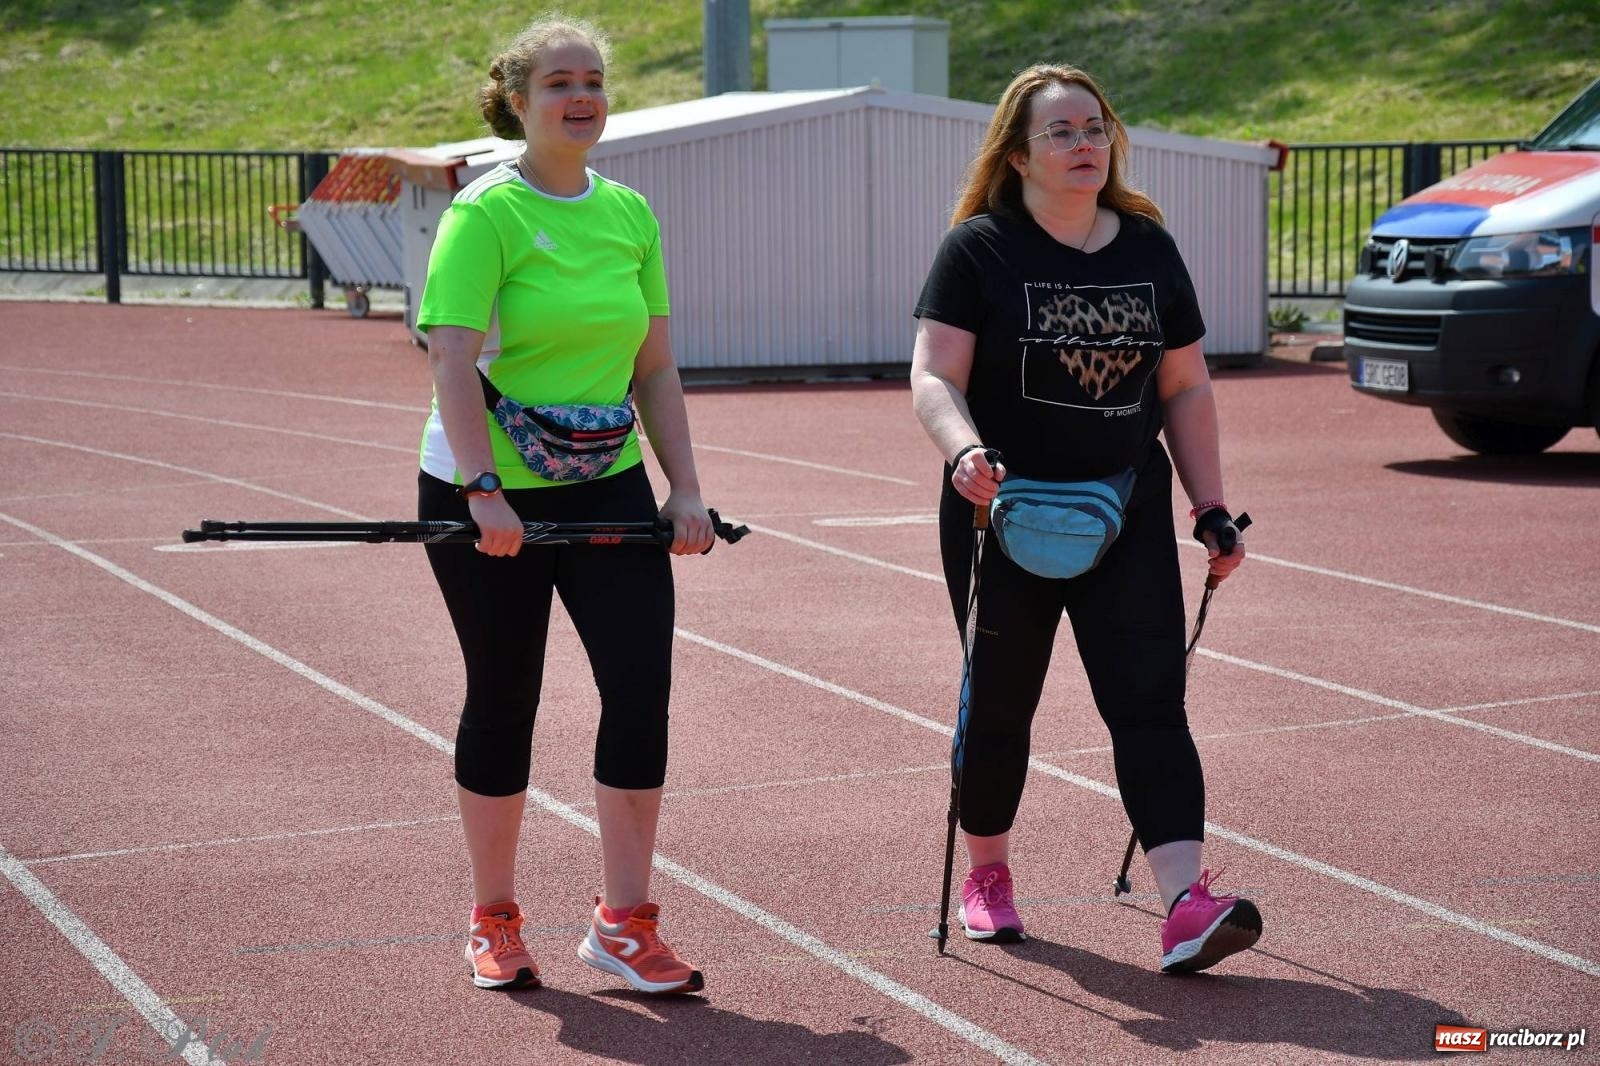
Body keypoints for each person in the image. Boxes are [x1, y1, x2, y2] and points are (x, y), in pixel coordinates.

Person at [909, 64, 1263, 973]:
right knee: (999, 707)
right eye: (1062, 132)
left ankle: (1186, 903)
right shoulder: (980, 249)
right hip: (1002, 512)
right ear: (1018, 155)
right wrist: (962, 451)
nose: (1084, 145)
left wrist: (1210, 504)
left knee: (1150, 702)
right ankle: (987, 874)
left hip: (1124, 510)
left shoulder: (1148, 248)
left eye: (1095, 128)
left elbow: (1183, 385)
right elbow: (935, 375)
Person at [416, 15, 711, 995]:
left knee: (639, 689)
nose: (580, 96)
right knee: (505, 695)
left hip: (607, 477)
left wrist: (688, 489)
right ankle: (493, 914)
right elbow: (452, 356)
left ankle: (623, 924)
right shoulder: (484, 213)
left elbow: (655, 366)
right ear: (517, 100)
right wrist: (482, 487)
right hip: (487, 487)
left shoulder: (630, 213)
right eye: (558, 84)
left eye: (592, 80)